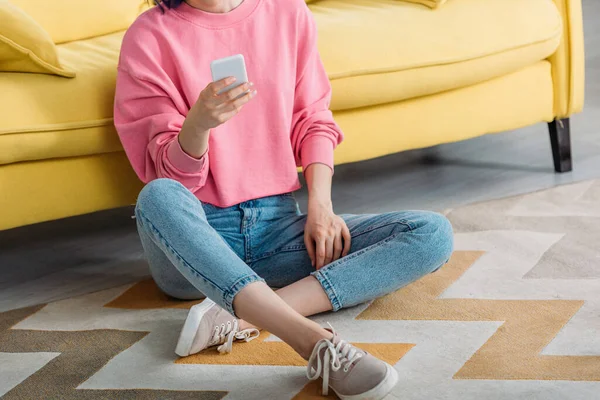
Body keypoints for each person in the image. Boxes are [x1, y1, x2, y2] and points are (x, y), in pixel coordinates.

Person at [114, 0, 453, 398]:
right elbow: (167, 174)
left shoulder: (287, 12)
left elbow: (313, 119)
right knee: (156, 196)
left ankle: (240, 316)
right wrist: (198, 125)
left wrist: (320, 207)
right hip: (195, 246)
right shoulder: (149, 36)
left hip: (277, 229)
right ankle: (311, 341)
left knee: (431, 233)